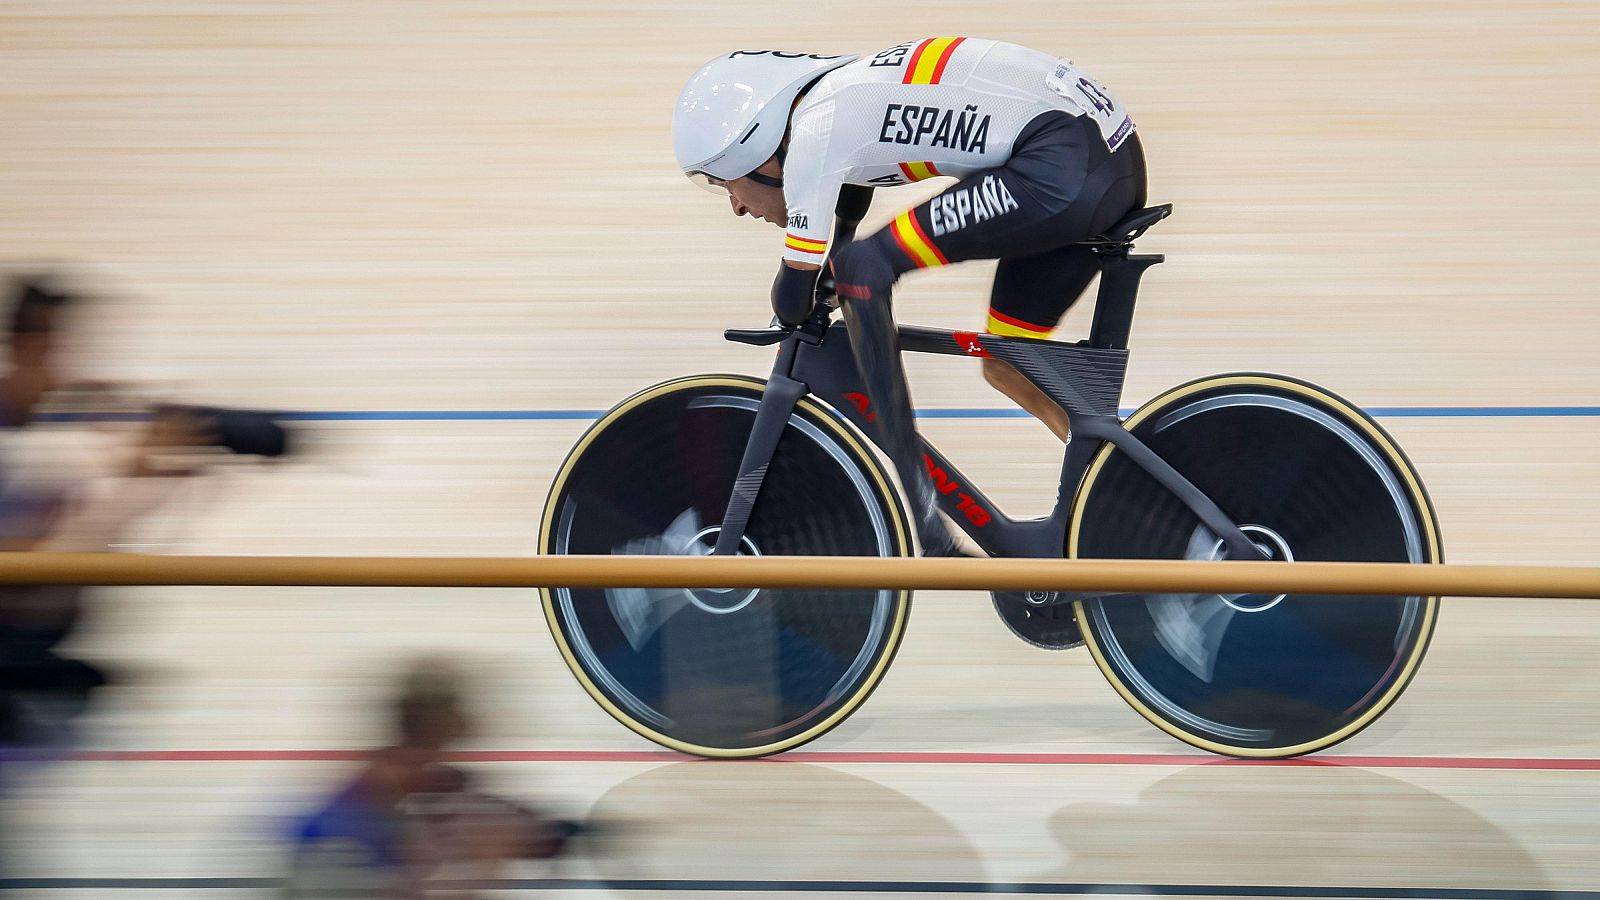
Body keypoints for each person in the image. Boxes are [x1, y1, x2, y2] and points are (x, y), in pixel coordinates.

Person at [672, 39, 1148, 554]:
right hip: (1089, 160)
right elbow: (846, 221)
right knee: (1006, 363)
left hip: (1062, 164)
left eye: (729, 188)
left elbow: (795, 286)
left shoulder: (813, 130)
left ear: (759, 153)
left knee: (865, 269)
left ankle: (927, 521)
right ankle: (1127, 487)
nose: (738, 207)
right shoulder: (836, 107)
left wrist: (809, 296)